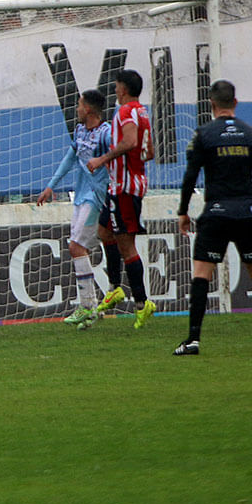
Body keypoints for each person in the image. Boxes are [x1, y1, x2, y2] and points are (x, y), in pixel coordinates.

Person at [173, 79, 252, 355]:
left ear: (211, 105)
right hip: (246, 213)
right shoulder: (251, 134)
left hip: (216, 213)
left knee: (201, 274)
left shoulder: (204, 134)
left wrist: (183, 211)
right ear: (235, 103)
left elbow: (190, 177)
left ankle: (193, 340)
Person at [35, 89, 112, 328]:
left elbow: (121, 153)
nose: (77, 109)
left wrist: (105, 166)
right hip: (79, 197)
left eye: (79, 105)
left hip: (96, 197)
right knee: (78, 248)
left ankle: (87, 306)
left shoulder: (106, 133)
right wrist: (50, 187)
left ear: (88, 109)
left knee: (76, 246)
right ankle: (91, 307)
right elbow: (70, 158)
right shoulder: (80, 131)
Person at [86, 68, 156, 328]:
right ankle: (115, 287)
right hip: (123, 185)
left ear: (123, 88)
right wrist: (124, 165)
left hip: (125, 189)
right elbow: (148, 151)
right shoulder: (142, 111)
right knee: (104, 231)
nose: (114, 90)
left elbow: (129, 142)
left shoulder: (126, 112)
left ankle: (141, 302)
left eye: (116, 86)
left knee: (127, 246)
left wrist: (104, 159)